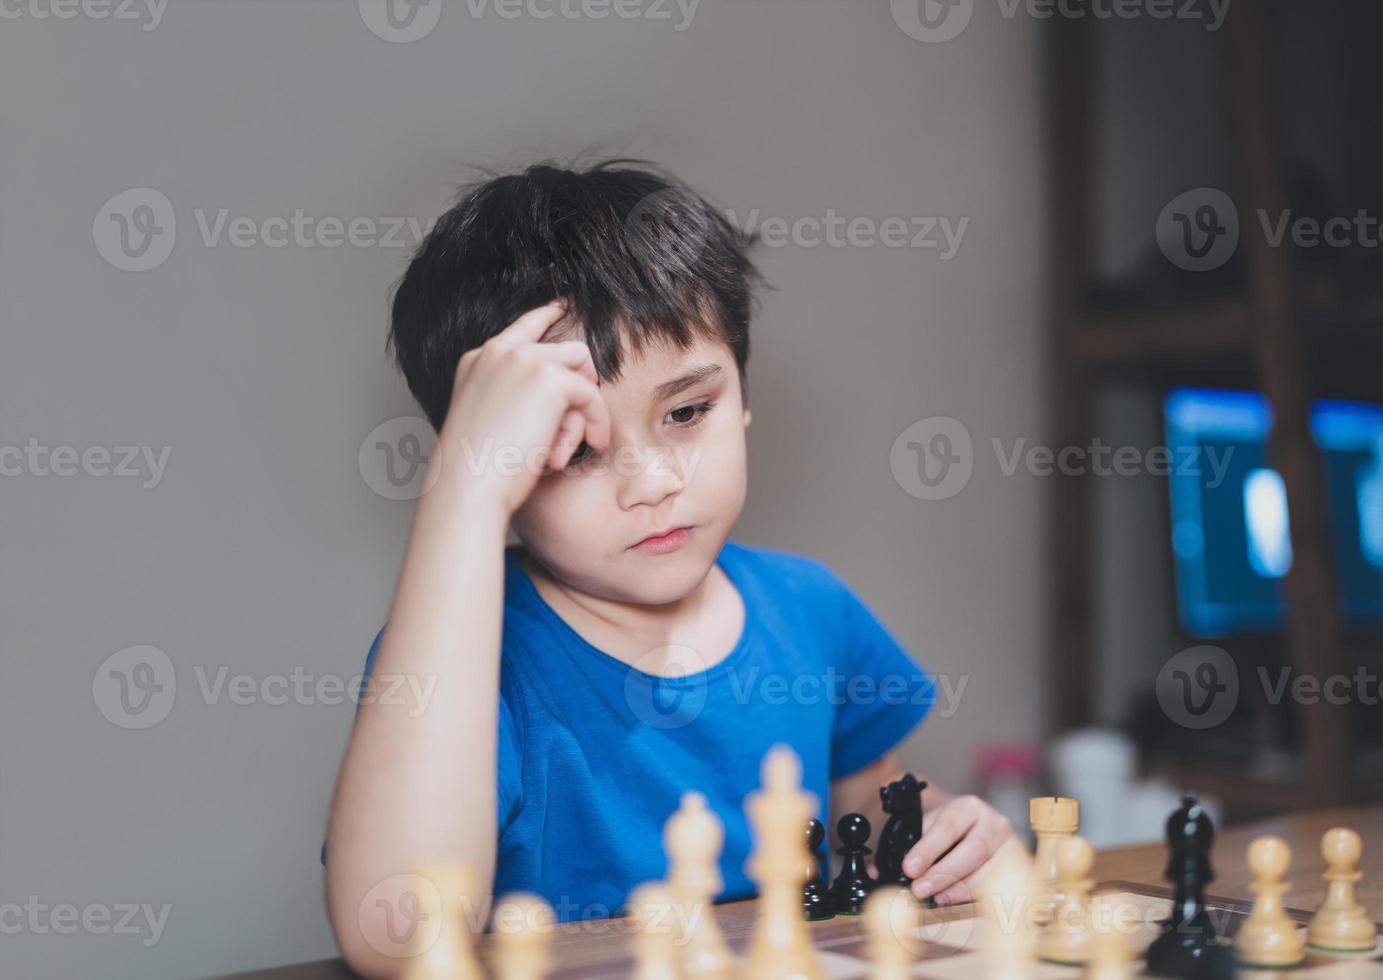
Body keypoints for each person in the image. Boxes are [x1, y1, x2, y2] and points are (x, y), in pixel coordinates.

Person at [324, 157, 1013, 977]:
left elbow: (869, 804)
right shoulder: (463, 650)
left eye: (687, 412)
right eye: (576, 447)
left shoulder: (811, 610)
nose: (653, 483)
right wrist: (461, 495)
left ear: (744, 394)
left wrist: (947, 835)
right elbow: (395, 936)